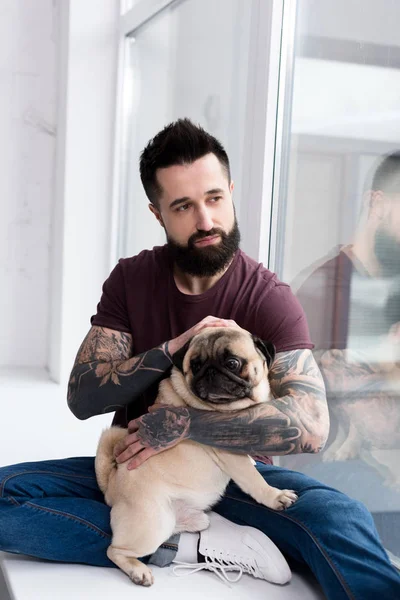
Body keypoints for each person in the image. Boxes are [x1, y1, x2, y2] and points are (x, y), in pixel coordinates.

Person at [0, 120, 399, 599]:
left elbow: (312, 426)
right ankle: (182, 543)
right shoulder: (132, 279)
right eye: (184, 206)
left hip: (240, 477)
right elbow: (82, 396)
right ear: (158, 213)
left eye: (213, 198)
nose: (206, 220)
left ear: (230, 191)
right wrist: (171, 350)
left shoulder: (268, 298)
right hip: (142, 473)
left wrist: (186, 423)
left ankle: (189, 534)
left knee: (341, 517)